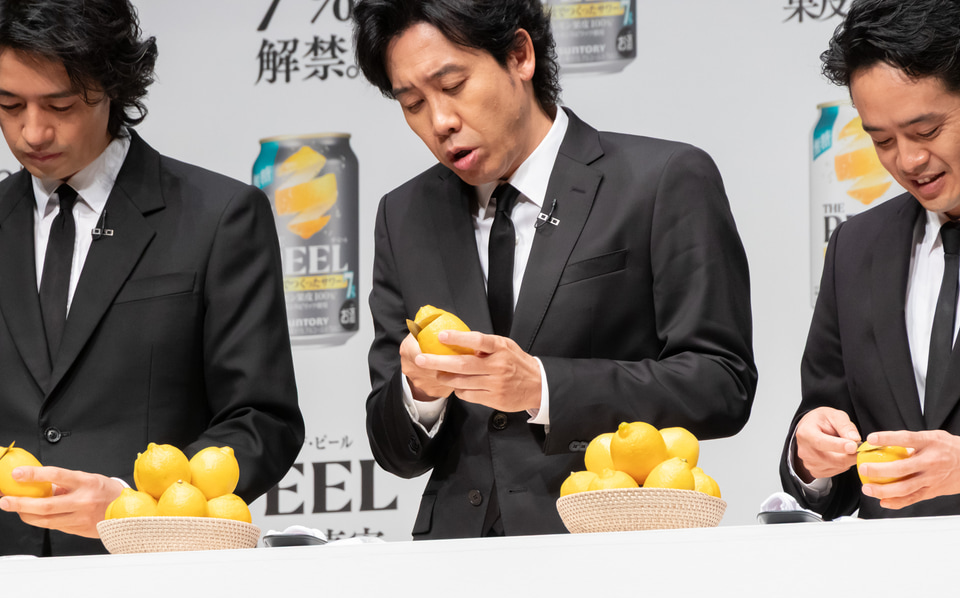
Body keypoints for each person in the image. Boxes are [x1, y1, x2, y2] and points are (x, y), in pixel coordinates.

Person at [355, 0, 757, 539]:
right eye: (413, 103)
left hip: (611, 540)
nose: (440, 122)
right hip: (454, 560)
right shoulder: (403, 215)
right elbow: (393, 451)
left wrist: (542, 387)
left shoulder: (662, 180)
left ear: (519, 55)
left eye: (453, 86)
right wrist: (419, 393)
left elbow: (721, 383)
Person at [0, 0, 304, 556]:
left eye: (60, 105)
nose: (32, 132)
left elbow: (262, 420)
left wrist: (134, 505)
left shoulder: (219, 216)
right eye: (8, 105)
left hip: (153, 575)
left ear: (112, 85)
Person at [780, 0, 960, 519]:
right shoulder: (856, 248)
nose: (908, 160)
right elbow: (826, 434)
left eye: (926, 132)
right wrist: (812, 457)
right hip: (886, 567)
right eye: (882, 140)